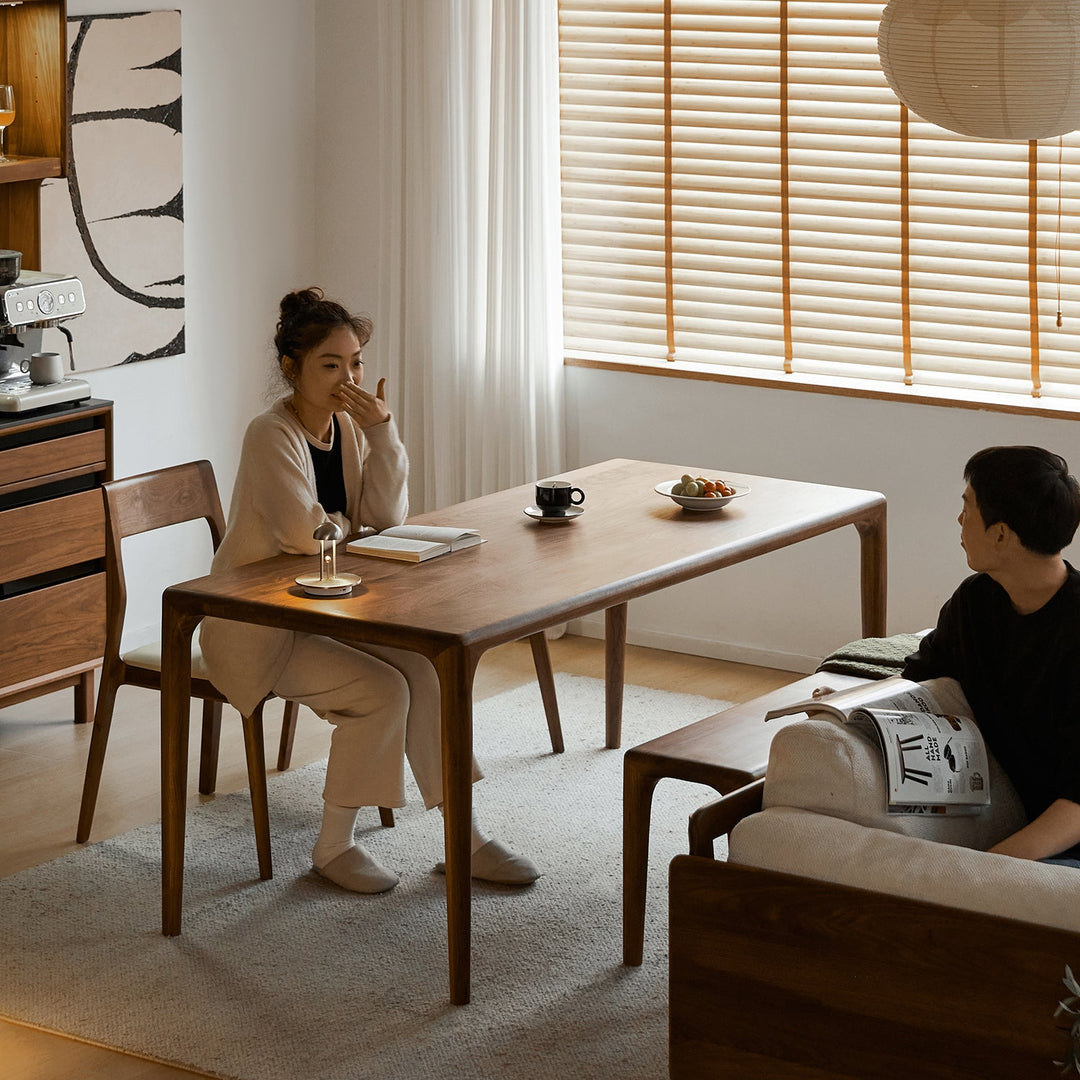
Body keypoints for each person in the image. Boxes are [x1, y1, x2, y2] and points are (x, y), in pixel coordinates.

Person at [199, 287, 539, 893]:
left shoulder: (351, 431)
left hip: (330, 610)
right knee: (382, 690)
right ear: (290, 369)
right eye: (331, 365)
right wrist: (344, 527)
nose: (348, 378)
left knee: (426, 671)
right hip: (257, 626)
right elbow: (308, 534)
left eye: (355, 363)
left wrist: (382, 433)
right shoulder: (268, 434)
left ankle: (465, 837)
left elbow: (386, 516)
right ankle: (333, 848)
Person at [902, 445, 1080, 866]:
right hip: (1009, 815)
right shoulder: (975, 601)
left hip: (1062, 837)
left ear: (1001, 533)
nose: (960, 519)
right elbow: (920, 683)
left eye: (968, 506)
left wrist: (987, 867)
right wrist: (849, 710)